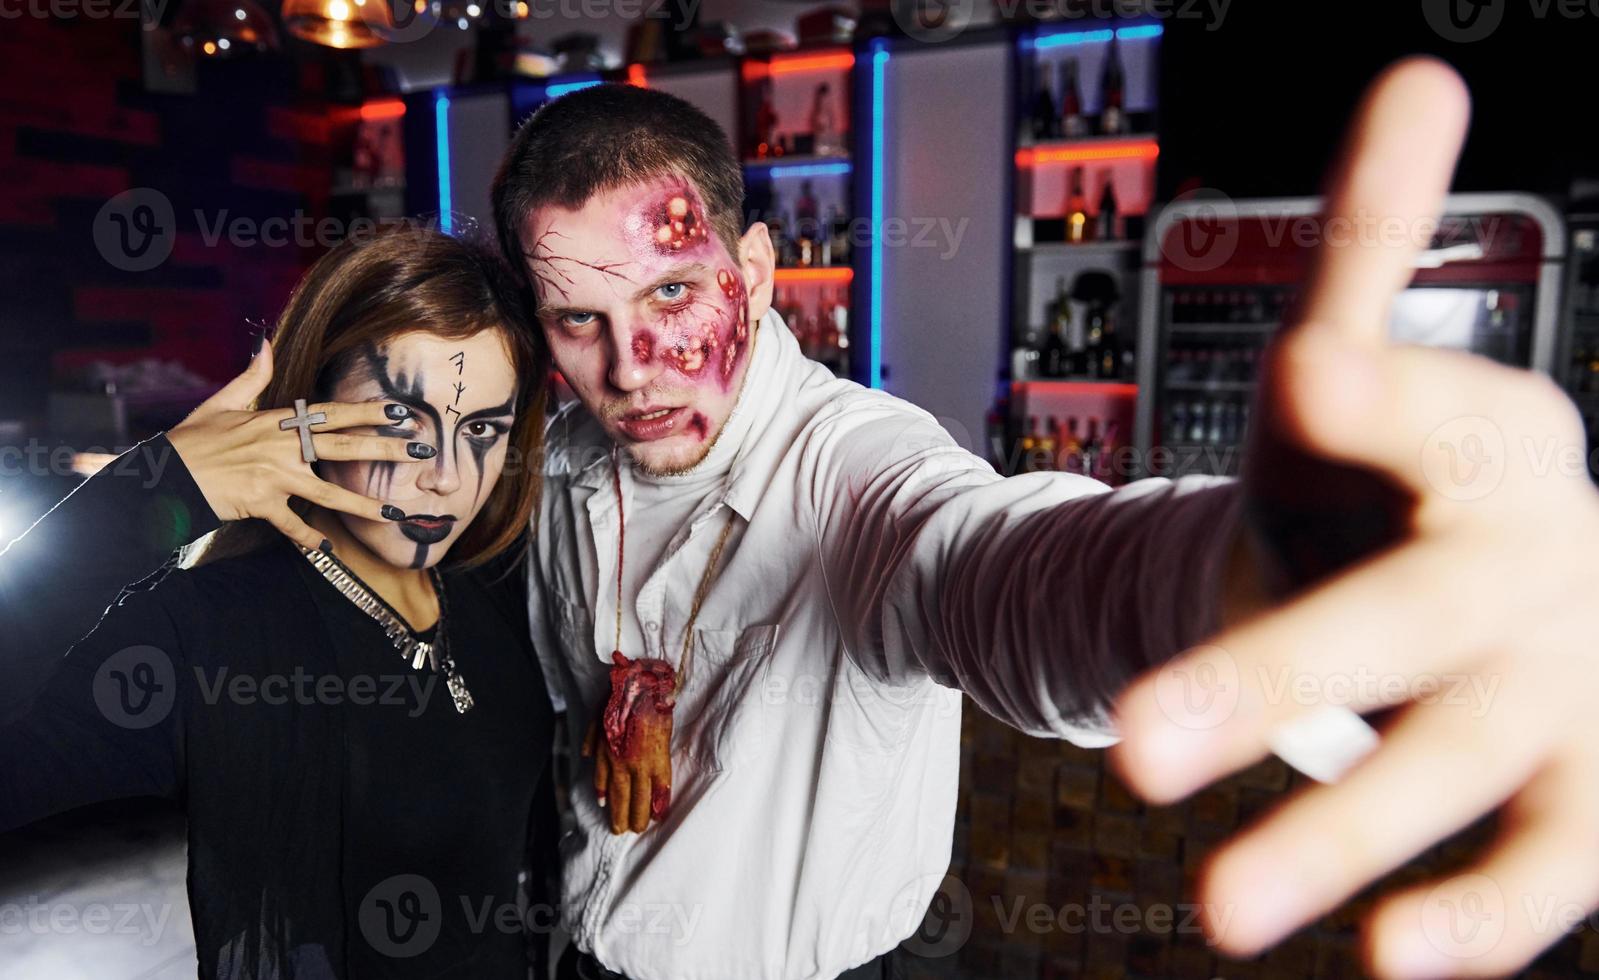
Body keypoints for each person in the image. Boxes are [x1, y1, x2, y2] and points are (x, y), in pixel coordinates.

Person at [495, 61, 1599, 980]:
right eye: (580, 320)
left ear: (756, 271)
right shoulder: (566, 462)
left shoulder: (853, 468)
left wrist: (1230, 578)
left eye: (674, 296)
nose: (635, 368)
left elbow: (1001, 563)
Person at [0, 225, 557, 979]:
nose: (447, 479)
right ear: (307, 408)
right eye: (401, 424)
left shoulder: (497, 582)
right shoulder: (215, 631)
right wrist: (156, 489)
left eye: (483, 429)